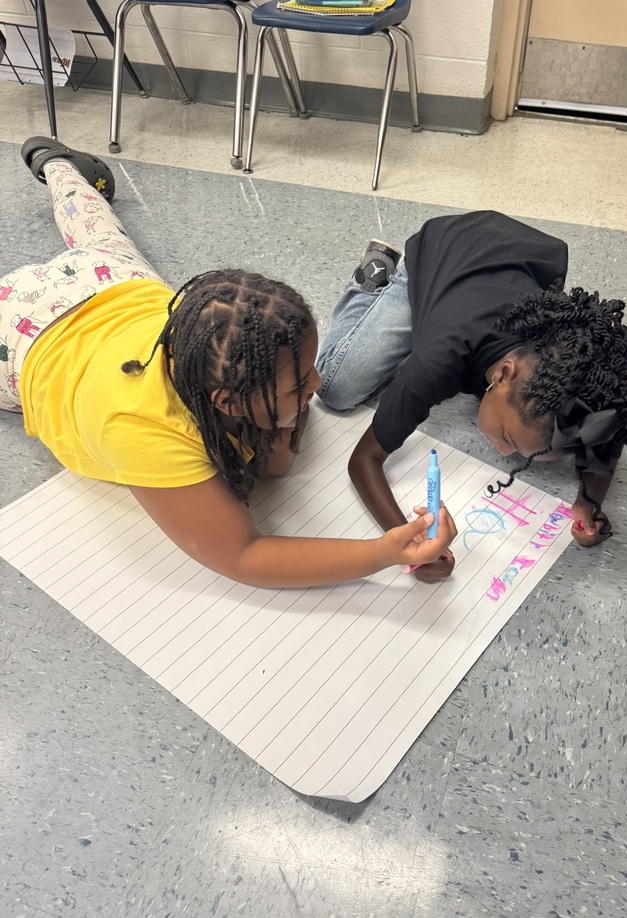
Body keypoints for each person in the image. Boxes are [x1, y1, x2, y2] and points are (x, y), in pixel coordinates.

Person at [0, 137, 456, 588]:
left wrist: (278, 418)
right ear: (227, 401)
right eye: (298, 386)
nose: (316, 384)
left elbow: (279, 462)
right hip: (24, 333)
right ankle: (55, 165)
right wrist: (384, 552)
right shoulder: (139, 427)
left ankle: (55, 162)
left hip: (115, 287)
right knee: (95, 233)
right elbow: (243, 554)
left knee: (97, 235)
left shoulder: (219, 341)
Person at [316, 210, 627, 584]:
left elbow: (608, 426)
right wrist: (409, 544)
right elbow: (364, 460)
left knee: (547, 424)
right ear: (502, 374)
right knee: (338, 387)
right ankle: (374, 281)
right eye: (506, 436)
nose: (502, 453)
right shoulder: (439, 358)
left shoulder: (559, 366)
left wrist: (589, 499)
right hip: (438, 256)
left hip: (510, 256)